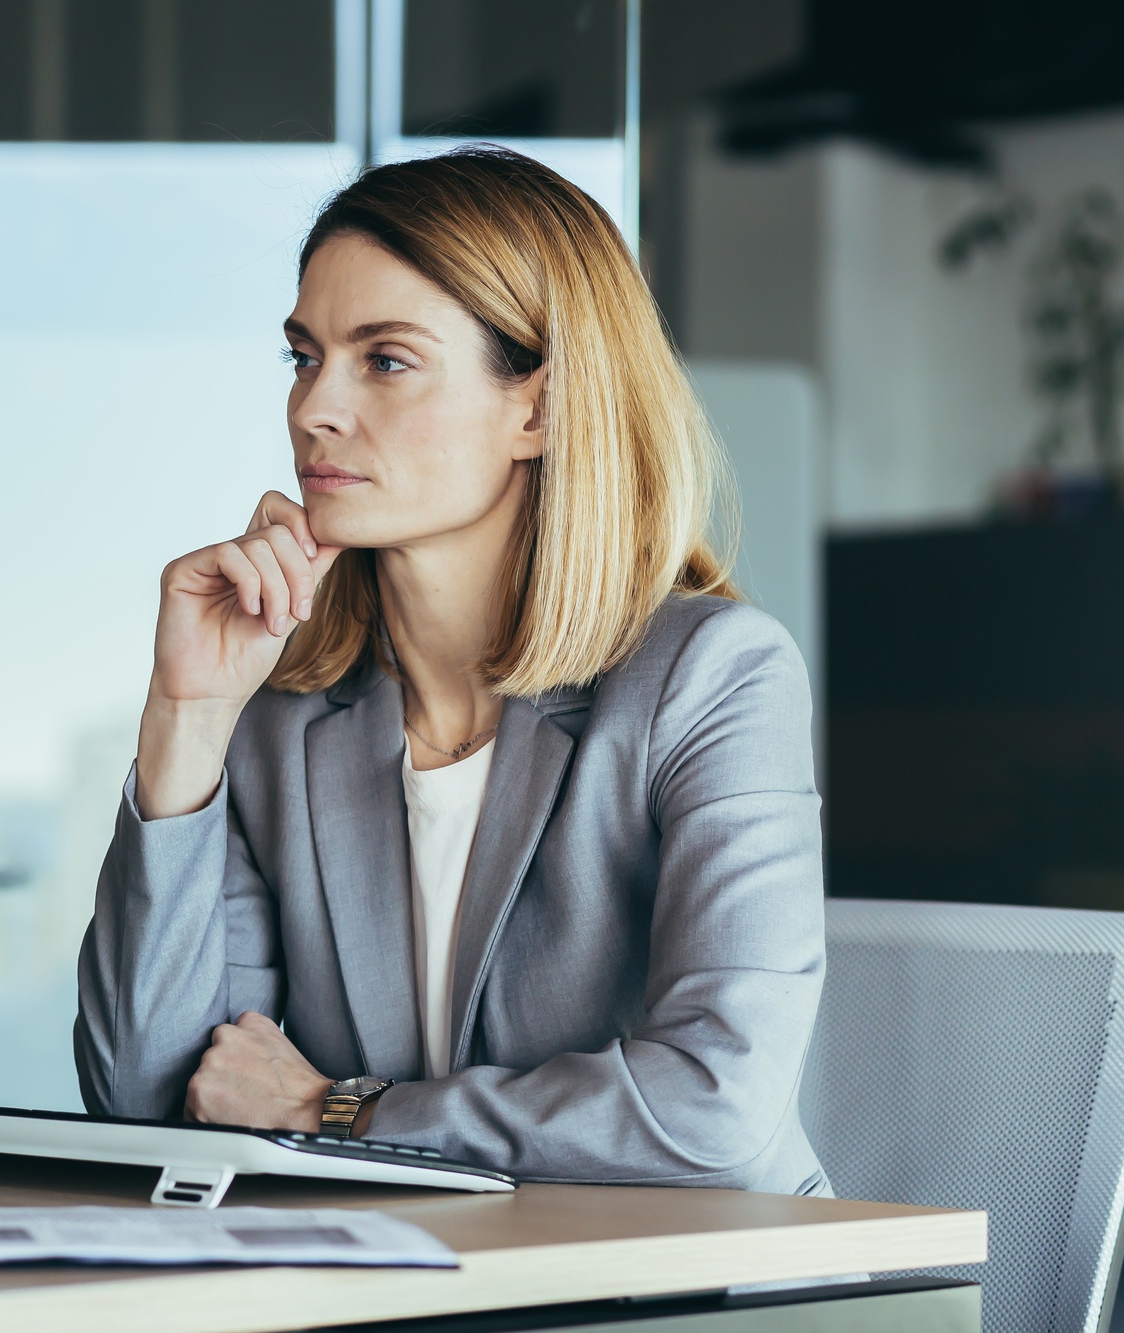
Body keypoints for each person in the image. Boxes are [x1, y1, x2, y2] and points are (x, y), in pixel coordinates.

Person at [73, 146, 829, 1194]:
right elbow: (150, 1098)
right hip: (412, 1276)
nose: (312, 410)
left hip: (689, 1287)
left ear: (538, 407)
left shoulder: (709, 680)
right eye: (303, 357)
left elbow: (714, 1112)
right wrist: (186, 722)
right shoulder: (283, 716)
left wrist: (336, 1109)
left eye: (382, 359)